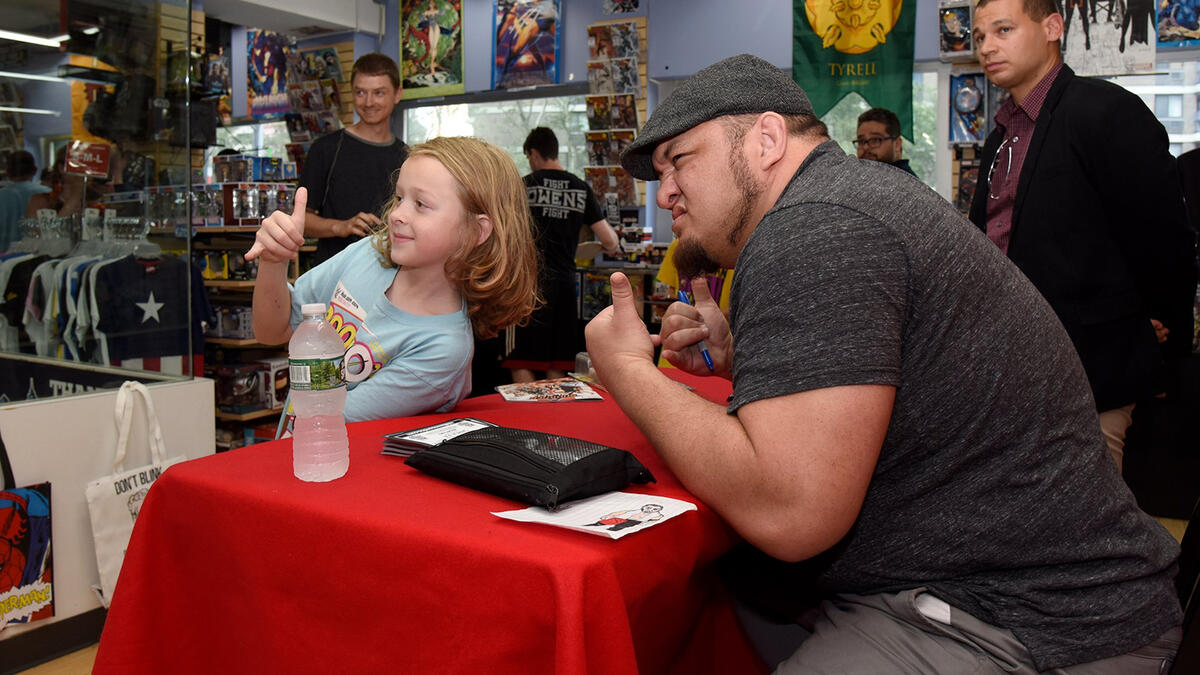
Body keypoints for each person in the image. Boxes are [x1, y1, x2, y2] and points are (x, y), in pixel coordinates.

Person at [585, 53, 1182, 673]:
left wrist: (628, 369)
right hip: (982, 582)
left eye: (679, 160)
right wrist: (749, 359)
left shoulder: (817, 227)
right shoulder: (853, 198)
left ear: (765, 139)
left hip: (1024, 618)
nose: (665, 192)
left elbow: (791, 513)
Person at [969, 0, 1197, 471]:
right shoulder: (1000, 137)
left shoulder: (1106, 112)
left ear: (1052, 27)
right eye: (978, 37)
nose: (987, 47)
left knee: (1092, 528)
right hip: (1013, 369)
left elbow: (1164, 237)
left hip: (1095, 368)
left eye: (1003, 29)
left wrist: (1153, 323)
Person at [246, 136, 539, 422]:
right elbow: (274, 331)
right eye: (400, 198)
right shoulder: (369, 254)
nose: (396, 214)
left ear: (477, 231)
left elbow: (324, 421)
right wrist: (273, 261)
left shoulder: (442, 350)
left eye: (421, 204)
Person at [504, 127, 618, 383]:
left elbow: (505, 233)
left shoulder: (525, 185)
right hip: (565, 286)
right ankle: (550, 421)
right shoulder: (580, 188)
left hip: (528, 285)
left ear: (533, 153)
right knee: (557, 361)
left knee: (521, 357)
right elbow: (611, 242)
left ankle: (527, 419)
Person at [300, 52, 409, 264]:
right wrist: (341, 227)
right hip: (334, 274)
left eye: (379, 93)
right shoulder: (326, 149)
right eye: (360, 92)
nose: (369, 102)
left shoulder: (407, 157)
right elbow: (301, 220)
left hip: (390, 275)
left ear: (397, 94)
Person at [0, 151, 50, 251]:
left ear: (8, 172)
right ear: (35, 170)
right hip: (39, 259)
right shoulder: (49, 194)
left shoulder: (2, 195)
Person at [853, 108, 916, 176]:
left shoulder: (907, 183)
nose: (865, 147)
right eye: (861, 141)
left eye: (875, 140)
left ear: (897, 144)